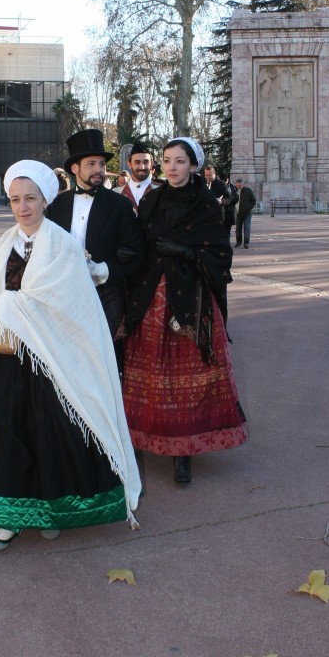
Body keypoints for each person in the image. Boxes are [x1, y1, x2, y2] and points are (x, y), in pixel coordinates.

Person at [0, 160, 141, 552]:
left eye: (30, 198)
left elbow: (68, 306)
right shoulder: (2, 245)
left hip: (48, 360)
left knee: (49, 436)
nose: (22, 207)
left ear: (45, 200)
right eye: (14, 199)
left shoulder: (62, 245)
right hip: (4, 359)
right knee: (3, 435)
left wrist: (13, 307)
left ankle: (50, 512)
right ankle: (7, 520)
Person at [122, 137, 246, 485]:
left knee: (186, 375)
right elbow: (138, 245)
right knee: (148, 372)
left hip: (191, 299)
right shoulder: (152, 199)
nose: (172, 167)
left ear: (194, 165)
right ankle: (140, 437)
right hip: (151, 297)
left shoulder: (206, 203)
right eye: (167, 160)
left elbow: (221, 255)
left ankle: (183, 453)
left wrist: (185, 251)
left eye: (179, 161)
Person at [45, 129, 144, 349]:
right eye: (91, 164)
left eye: (101, 164)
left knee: (105, 356)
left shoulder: (120, 205)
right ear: (74, 168)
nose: (99, 170)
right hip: (64, 293)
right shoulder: (56, 206)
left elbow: (135, 252)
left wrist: (103, 270)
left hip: (106, 294)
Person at [120, 141, 157, 212]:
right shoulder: (117, 192)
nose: (142, 167)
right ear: (129, 164)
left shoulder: (161, 190)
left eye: (146, 162)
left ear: (151, 164)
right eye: (137, 162)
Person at [203, 162, 237, 228]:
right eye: (206, 175)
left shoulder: (222, 184)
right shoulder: (202, 184)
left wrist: (221, 201)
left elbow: (229, 198)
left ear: (214, 174)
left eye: (210, 175)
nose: (208, 177)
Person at [234, 179, 257, 248]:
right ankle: (238, 242)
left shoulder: (248, 191)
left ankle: (246, 243)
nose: (238, 187)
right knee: (238, 228)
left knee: (247, 228)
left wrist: (249, 208)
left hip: (247, 213)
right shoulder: (234, 191)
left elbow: (253, 200)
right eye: (237, 185)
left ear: (243, 184)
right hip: (238, 213)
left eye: (240, 185)